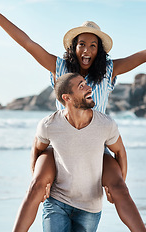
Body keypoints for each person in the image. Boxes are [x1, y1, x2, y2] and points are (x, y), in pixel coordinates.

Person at [0, 0, 146, 231]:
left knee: (120, 187)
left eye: (93, 45)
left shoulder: (109, 70)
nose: (87, 49)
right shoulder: (58, 67)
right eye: (82, 44)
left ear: (99, 50)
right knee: (36, 184)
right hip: (60, 144)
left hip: (95, 145)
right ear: (74, 46)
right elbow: (27, 43)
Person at [30, 73, 127, 232]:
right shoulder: (50, 124)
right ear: (66, 98)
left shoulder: (104, 124)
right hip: (57, 201)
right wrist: (37, 180)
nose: (89, 88)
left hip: (89, 207)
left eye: (86, 83)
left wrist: (118, 187)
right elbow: (37, 148)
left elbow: (120, 152)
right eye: (81, 86)